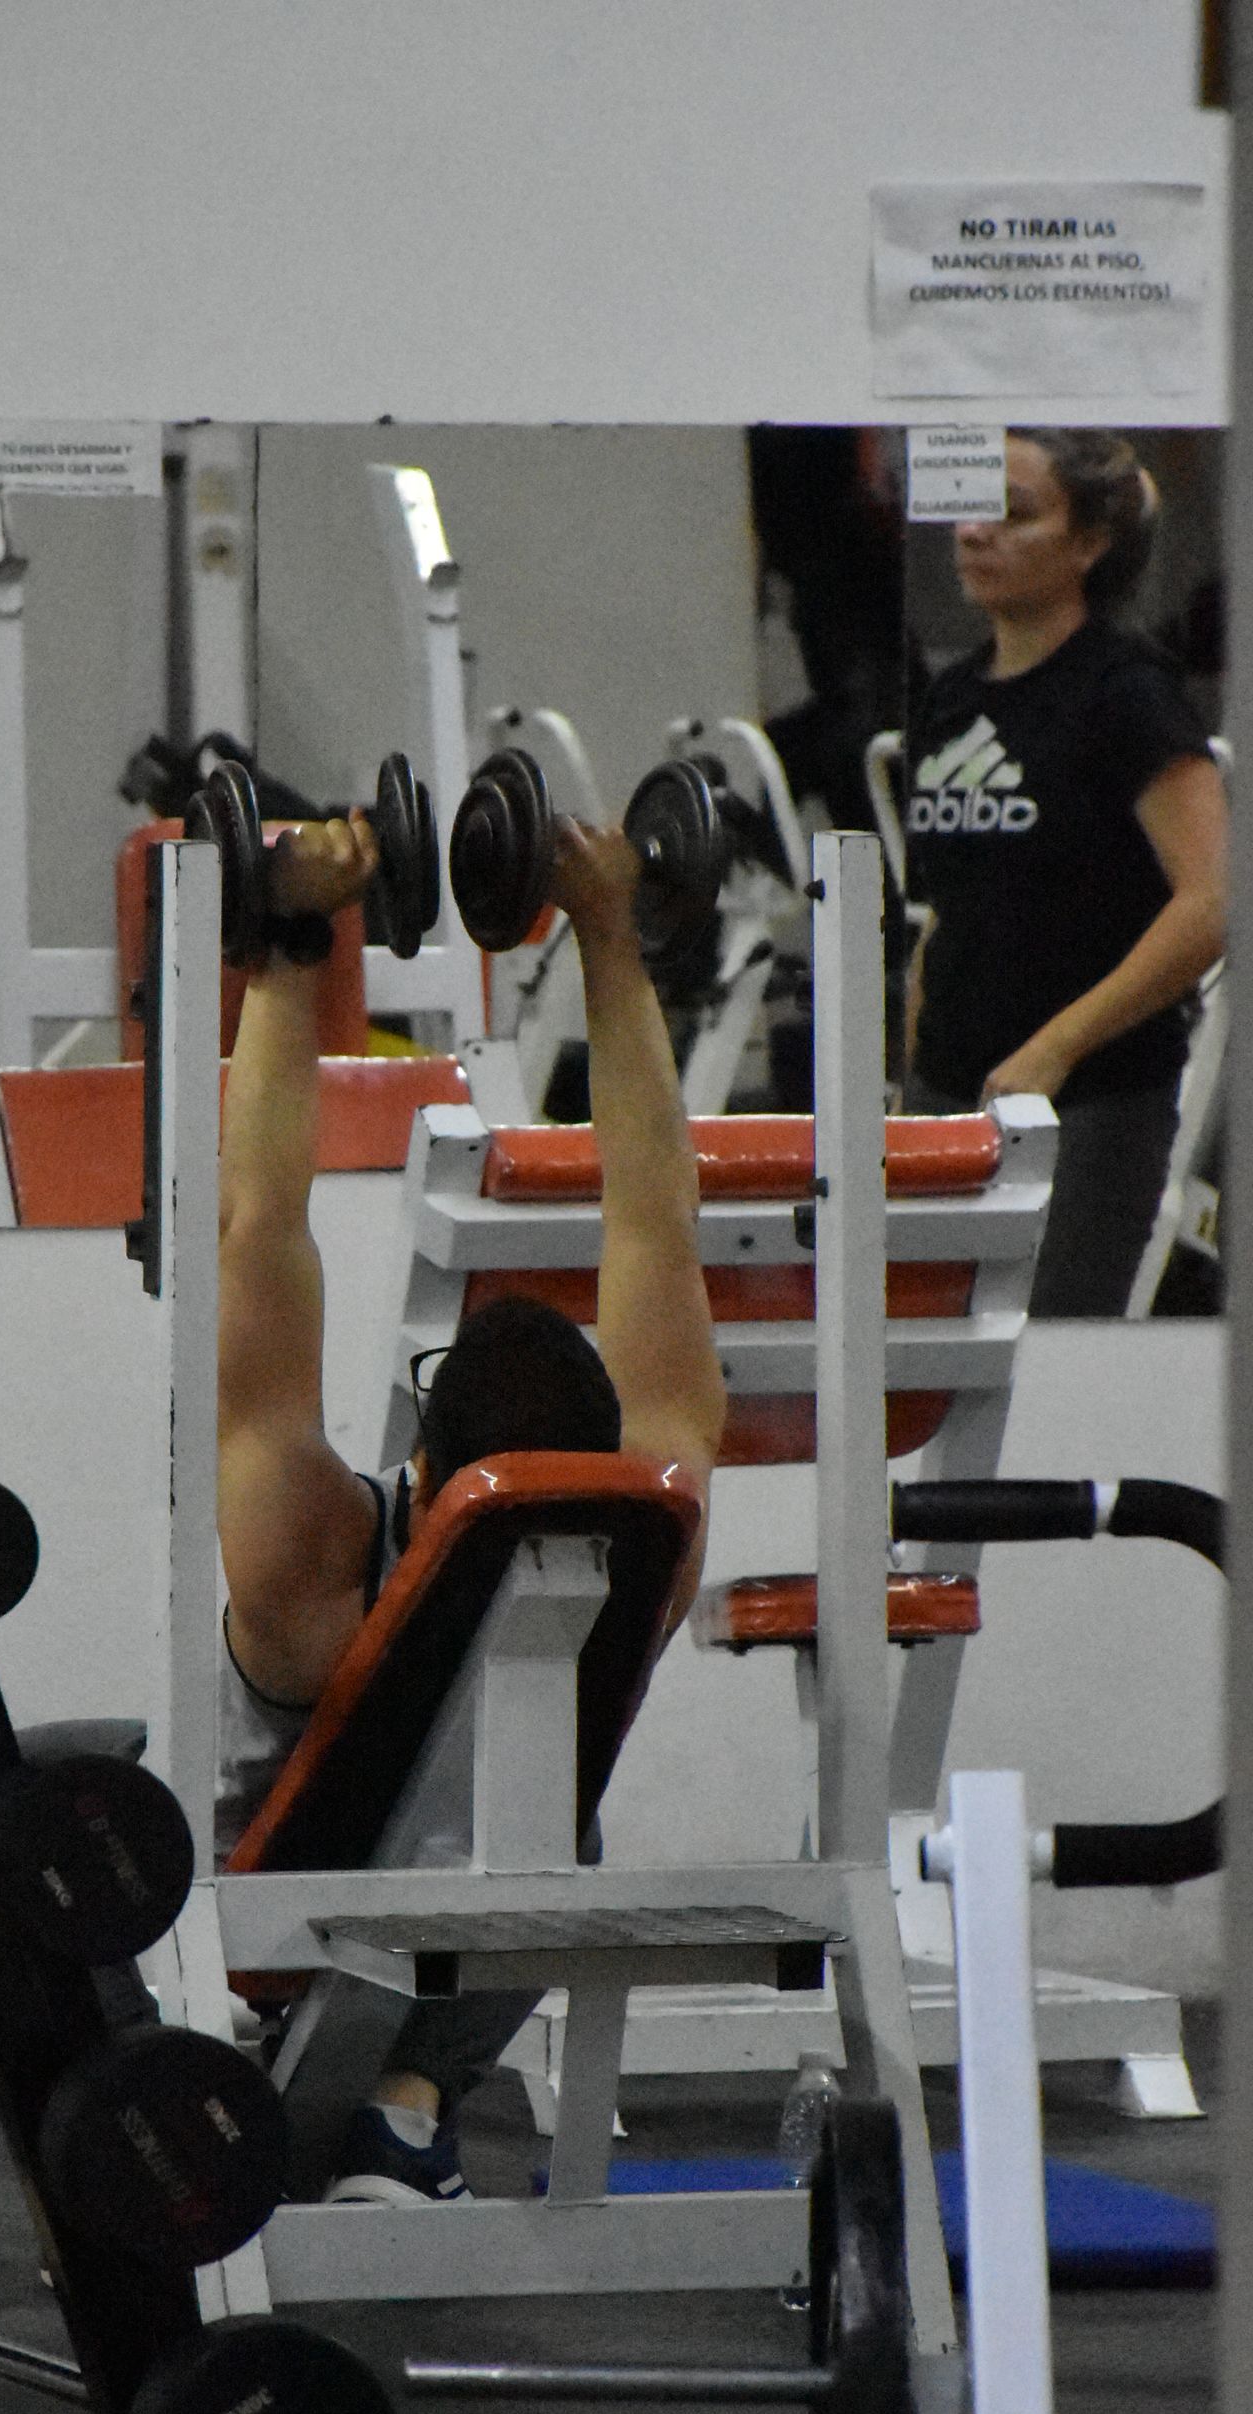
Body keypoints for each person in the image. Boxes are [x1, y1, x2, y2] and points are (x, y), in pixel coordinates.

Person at [215, 811, 727, 2203]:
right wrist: (612, 938)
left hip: (272, 1946)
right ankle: (412, 2097)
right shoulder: (649, 1541)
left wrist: (284, 948)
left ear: (425, 1475)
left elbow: (258, 1220)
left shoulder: (311, 1551)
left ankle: (381, 2094)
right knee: (547, 1820)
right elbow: (654, 1219)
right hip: (499, 1918)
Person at [904, 428, 1228, 1316]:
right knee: (925, 1368)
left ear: (1090, 543)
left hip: (1089, 1106)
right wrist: (912, 1072)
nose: (974, 532)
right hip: (948, 1093)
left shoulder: (1126, 695)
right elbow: (946, 906)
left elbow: (1213, 903)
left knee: (1043, 1372)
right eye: (968, 508)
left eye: (1013, 513)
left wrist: (1056, 1047)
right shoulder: (949, 698)